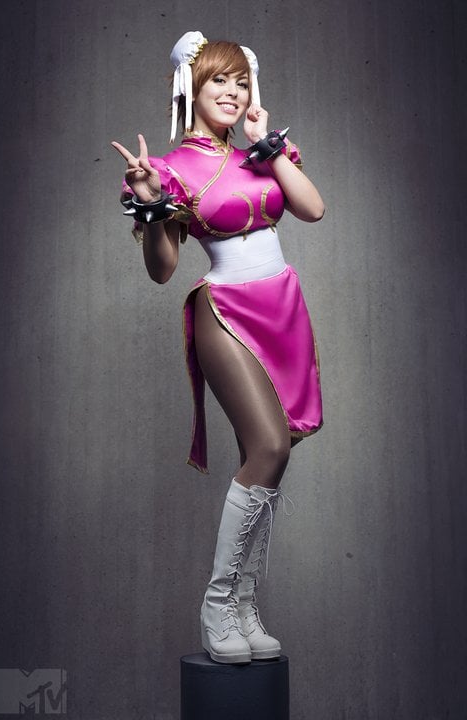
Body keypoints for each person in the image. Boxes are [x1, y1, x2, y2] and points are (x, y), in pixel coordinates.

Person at [112, 30, 324, 665]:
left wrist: (268, 145)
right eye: (218, 81)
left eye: (241, 81)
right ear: (191, 88)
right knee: (269, 447)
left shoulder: (264, 152)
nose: (232, 92)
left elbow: (312, 209)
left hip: (283, 305)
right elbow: (161, 271)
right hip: (226, 311)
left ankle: (245, 604)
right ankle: (217, 604)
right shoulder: (170, 169)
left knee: (272, 457)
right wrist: (152, 204)